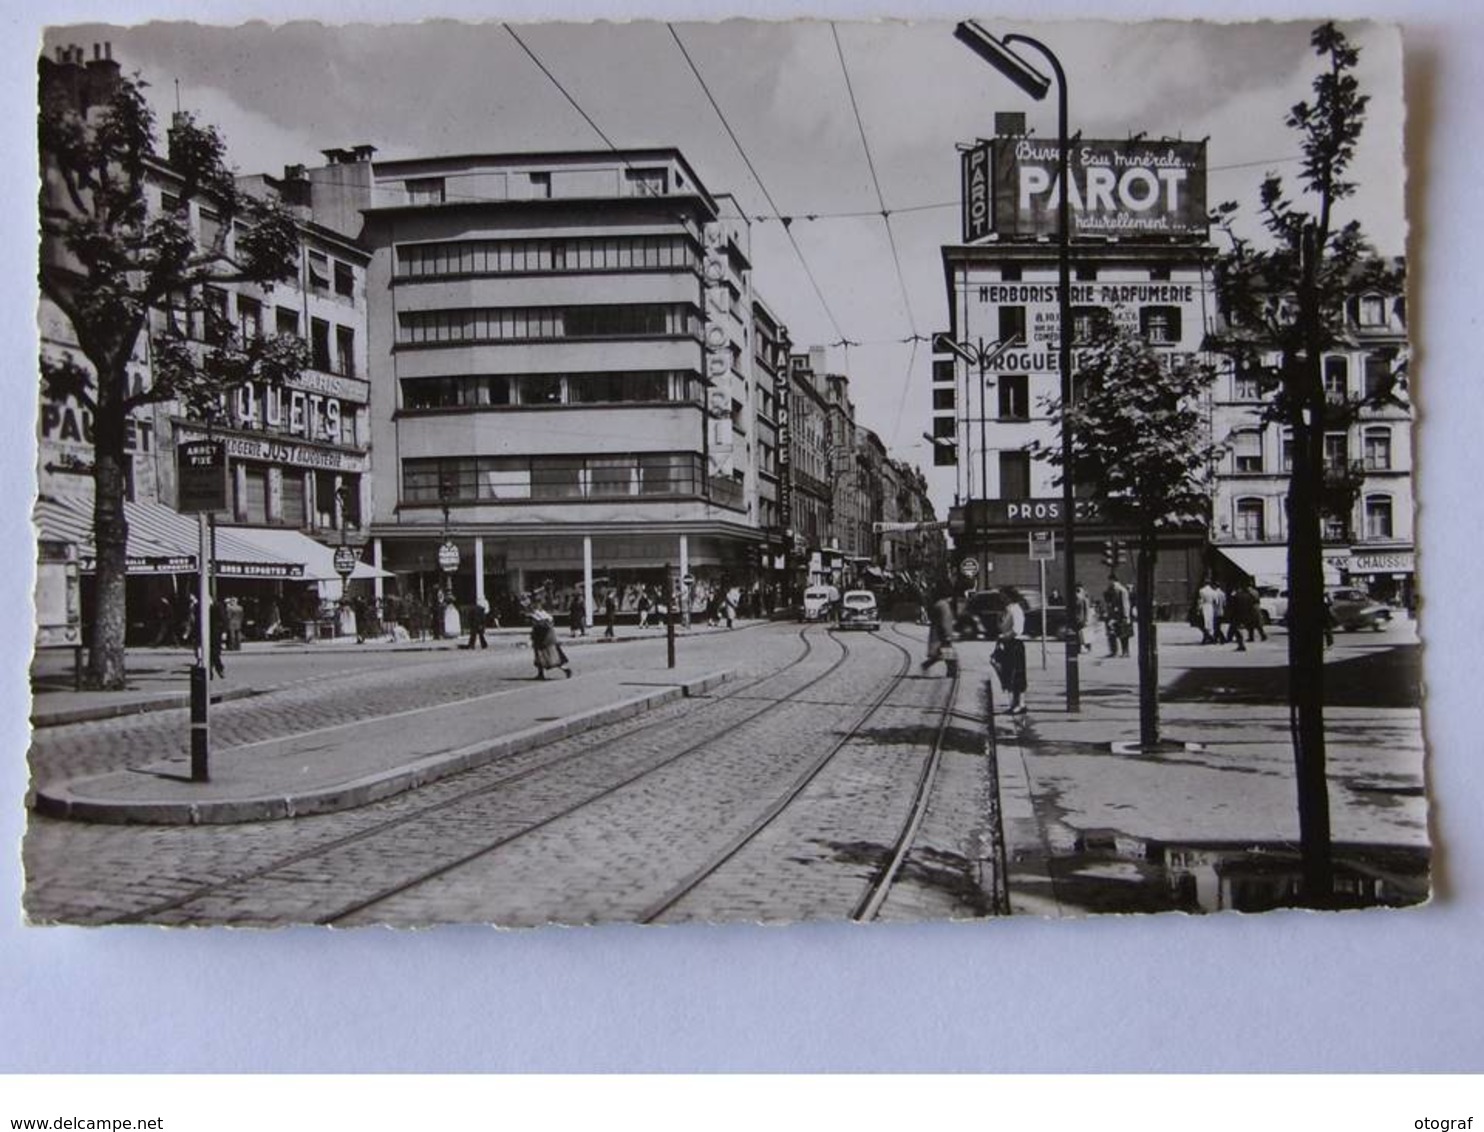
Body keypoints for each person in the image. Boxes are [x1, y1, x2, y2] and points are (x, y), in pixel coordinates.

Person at [995, 587, 1029, 713]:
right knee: (1009, 673)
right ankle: (1014, 704)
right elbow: (1002, 627)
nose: (1001, 599)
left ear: (1009, 596)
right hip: (1008, 644)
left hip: (1015, 644)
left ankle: (1021, 703)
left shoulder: (1016, 609)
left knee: (1018, 673)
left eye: (1003, 596)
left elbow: (1017, 630)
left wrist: (1003, 636)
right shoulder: (1007, 610)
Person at [920, 589, 958, 675]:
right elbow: (944, 621)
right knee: (948, 653)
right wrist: (947, 634)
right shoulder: (943, 606)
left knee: (942, 653)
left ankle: (927, 664)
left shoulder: (940, 604)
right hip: (943, 633)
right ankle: (952, 671)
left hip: (941, 633)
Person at [529, 606, 571, 679]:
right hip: (545, 643)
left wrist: (534, 638)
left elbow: (538, 634)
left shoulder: (542, 625)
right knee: (540, 659)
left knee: (552, 660)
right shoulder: (546, 624)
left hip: (544, 644)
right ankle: (540, 674)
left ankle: (565, 669)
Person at [1104, 574, 1133, 658]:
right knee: (1113, 633)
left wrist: (1126, 616)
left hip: (1120, 615)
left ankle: (1125, 652)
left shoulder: (1121, 590)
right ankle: (1114, 651)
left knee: (1123, 634)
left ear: (1114, 580)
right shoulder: (1111, 589)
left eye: (1110, 581)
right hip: (1113, 615)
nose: (1109, 583)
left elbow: (1125, 604)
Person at [1225, 583, 1259, 652]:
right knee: (1247, 628)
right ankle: (1248, 639)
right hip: (1247, 615)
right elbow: (1252, 605)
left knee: (1237, 630)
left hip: (1237, 615)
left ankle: (1241, 645)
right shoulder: (1249, 596)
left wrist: (1229, 615)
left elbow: (1232, 607)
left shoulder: (1236, 596)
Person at [1197, 578, 1226, 645]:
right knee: (1211, 624)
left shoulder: (1201, 591)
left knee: (1204, 623)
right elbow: (1216, 601)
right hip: (1211, 607)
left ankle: (1207, 638)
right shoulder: (1213, 591)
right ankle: (1210, 637)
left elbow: (1200, 601)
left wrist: (1199, 609)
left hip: (1204, 607)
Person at [1073, 583, 1092, 654]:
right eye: (1077, 590)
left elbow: (1087, 610)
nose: (1078, 591)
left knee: (1085, 634)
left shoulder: (1084, 598)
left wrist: (1086, 620)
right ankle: (1078, 648)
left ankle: (1088, 647)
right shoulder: (1075, 598)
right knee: (1078, 635)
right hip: (1077, 619)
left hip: (1082, 618)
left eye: (1079, 589)